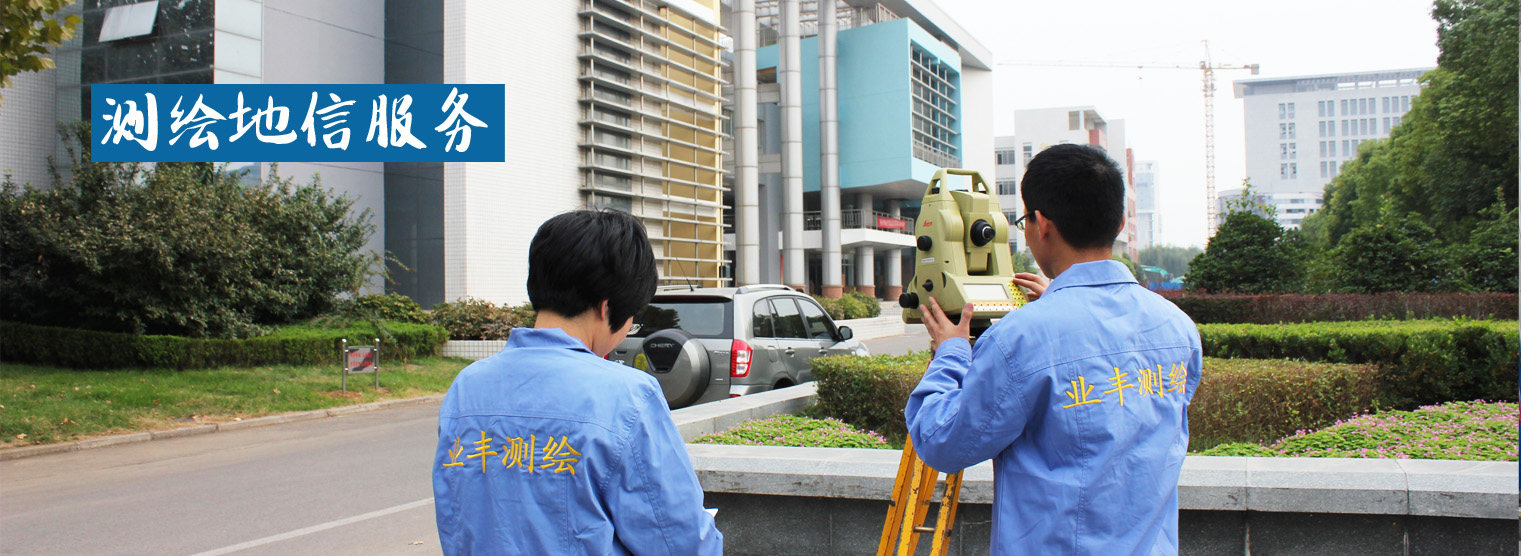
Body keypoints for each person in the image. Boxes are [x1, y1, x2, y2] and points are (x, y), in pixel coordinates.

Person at [906, 144, 1202, 555]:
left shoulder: (1020, 339)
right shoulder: (1178, 328)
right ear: (1119, 222)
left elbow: (943, 441)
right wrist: (1061, 303)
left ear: (1041, 225)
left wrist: (951, 352)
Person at [432, 209, 722, 556]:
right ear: (606, 307)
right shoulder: (628, 396)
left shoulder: (467, 386)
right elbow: (680, 542)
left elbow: (454, 515)